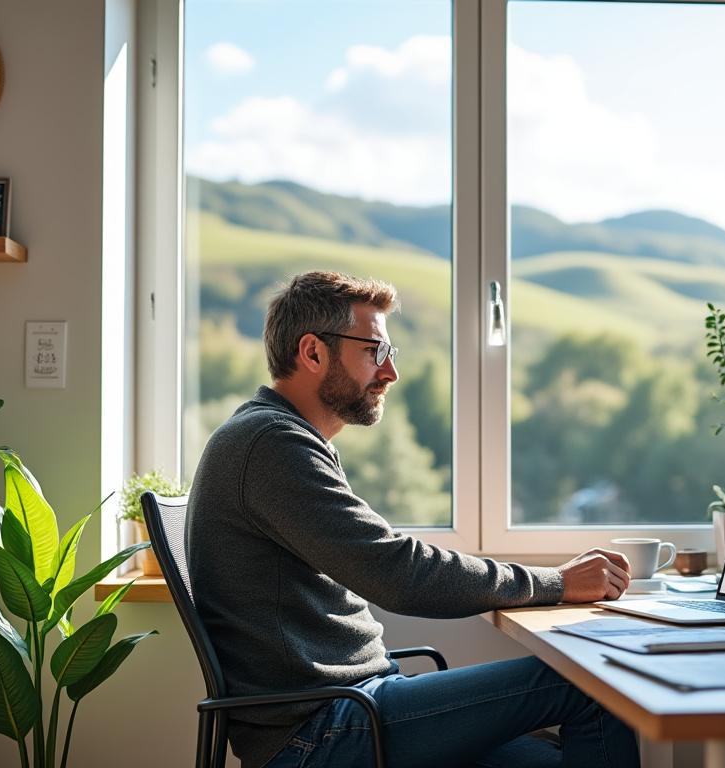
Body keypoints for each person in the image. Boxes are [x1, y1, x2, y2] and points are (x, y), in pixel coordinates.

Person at [189, 271, 640, 768]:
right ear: (313, 353)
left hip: (357, 707)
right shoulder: (270, 444)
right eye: (374, 352)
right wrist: (555, 582)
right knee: (594, 680)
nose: (390, 373)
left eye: (391, 354)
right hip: (321, 734)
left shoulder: (279, 437)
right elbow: (397, 573)